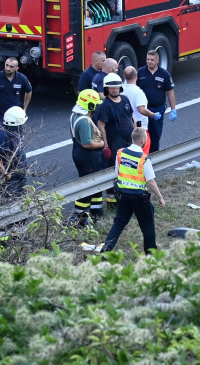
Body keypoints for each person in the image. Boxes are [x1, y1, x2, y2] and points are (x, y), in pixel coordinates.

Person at [100, 126, 165, 254]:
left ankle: (106, 250)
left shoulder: (120, 153)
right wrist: (160, 197)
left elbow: (117, 172)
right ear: (142, 141)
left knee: (118, 223)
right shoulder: (143, 159)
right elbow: (151, 181)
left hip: (123, 195)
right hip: (139, 197)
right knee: (147, 226)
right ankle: (150, 254)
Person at [95, 72, 135, 203]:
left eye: (116, 86)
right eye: (111, 87)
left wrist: (136, 134)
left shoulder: (125, 99)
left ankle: (127, 194)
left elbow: (131, 117)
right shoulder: (104, 105)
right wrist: (106, 146)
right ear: (107, 89)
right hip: (114, 143)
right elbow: (101, 126)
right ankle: (113, 200)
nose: (114, 89)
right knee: (115, 170)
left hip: (129, 141)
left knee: (128, 168)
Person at [70, 89, 106, 226]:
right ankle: (80, 215)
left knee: (94, 183)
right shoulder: (84, 121)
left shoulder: (75, 114)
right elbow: (87, 143)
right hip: (88, 156)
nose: (96, 107)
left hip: (80, 154)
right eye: (95, 104)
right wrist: (102, 144)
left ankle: (95, 212)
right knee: (88, 185)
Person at [136, 50, 177, 153]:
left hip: (158, 109)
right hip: (144, 109)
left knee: (156, 133)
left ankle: (155, 153)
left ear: (158, 60)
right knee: (143, 133)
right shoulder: (140, 73)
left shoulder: (164, 74)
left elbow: (170, 92)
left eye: (152, 60)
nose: (149, 62)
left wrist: (173, 109)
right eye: (147, 59)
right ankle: (144, 153)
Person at [0, 106, 29, 196]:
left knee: (20, 195)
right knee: (9, 197)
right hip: (10, 175)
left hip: (19, 172)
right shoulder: (1, 135)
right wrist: (4, 172)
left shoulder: (16, 131)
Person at [0, 56, 32, 122]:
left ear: (17, 68)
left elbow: (28, 91)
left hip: (16, 115)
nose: (8, 68)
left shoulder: (22, 78)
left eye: (11, 67)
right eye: (7, 65)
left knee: (15, 132)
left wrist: (24, 108)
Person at [122, 65, 156, 153]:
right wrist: (153, 115)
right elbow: (141, 109)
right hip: (140, 129)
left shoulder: (121, 90)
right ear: (136, 76)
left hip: (126, 126)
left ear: (124, 76)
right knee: (142, 155)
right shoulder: (138, 92)